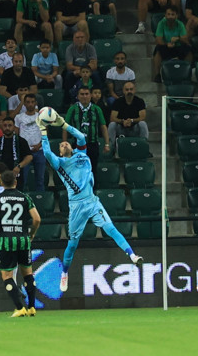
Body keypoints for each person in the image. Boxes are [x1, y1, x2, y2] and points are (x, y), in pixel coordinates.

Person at [37, 110, 143, 293]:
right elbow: (46, 152)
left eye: (64, 143)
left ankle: (132, 255)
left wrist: (63, 124)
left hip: (92, 201)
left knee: (111, 229)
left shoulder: (81, 153)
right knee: (72, 244)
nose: (63, 144)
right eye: (61, 146)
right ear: (60, 152)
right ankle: (65, 272)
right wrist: (43, 130)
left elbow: (80, 135)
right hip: (77, 206)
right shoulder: (60, 164)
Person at [0, 170, 40, 317]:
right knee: (28, 274)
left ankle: (19, 307)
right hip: (23, 239)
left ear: (2, 183)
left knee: (7, 276)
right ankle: (32, 307)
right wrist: (32, 234)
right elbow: (37, 219)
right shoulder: (25, 198)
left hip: (6, 240)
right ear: (16, 182)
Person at [0, 117, 32, 188]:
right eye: (5, 126)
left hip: (16, 176)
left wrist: (19, 166)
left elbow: (29, 157)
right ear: (2, 127)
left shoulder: (21, 141)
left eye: (10, 125)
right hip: (0, 176)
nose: (7, 128)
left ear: (14, 127)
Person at [153, 6, 191, 83]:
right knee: (158, 49)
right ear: (165, 15)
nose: (170, 16)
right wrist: (167, 44)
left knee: (189, 49)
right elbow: (158, 39)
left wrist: (178, 38)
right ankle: (157, 75)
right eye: (168, 14)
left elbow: (185, 39)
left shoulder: (180, 24)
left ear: (176, 16)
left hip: (178, 47)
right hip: (166, 46)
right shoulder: (161, 23)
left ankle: (187, 73)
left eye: (172, 14)